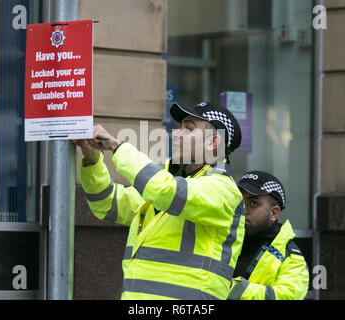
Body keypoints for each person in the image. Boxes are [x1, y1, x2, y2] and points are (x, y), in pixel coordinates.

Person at [74, 101, 245, 300]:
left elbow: (165, 191)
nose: (177, 134)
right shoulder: (167, 182)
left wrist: (116, 146)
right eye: (180, 127)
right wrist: (93, 159)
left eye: (188, 129)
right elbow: (107, 203)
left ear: (213, 143)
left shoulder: (223, 190)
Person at [227, 171, 309, 300]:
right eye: (239, 201)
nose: (243, 209)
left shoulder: (290, 257)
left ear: (274, 213)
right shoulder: (222, 237)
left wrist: (234, 288)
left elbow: (289, 296)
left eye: (253, 203)